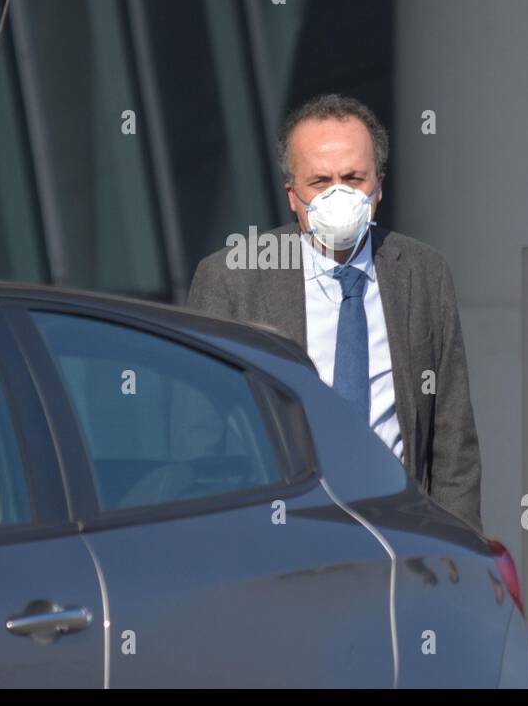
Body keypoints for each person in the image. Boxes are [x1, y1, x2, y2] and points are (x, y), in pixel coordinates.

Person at [187, 94, 483, 532]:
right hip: (282, 539)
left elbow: (453, 441)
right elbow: (202, 440)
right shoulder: (231, 279)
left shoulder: (423, 273)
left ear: (379, 186)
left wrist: (458, 552)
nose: (338, 194)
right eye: (320, 181)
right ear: (292, 195)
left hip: (398, 537)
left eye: (353, 178)